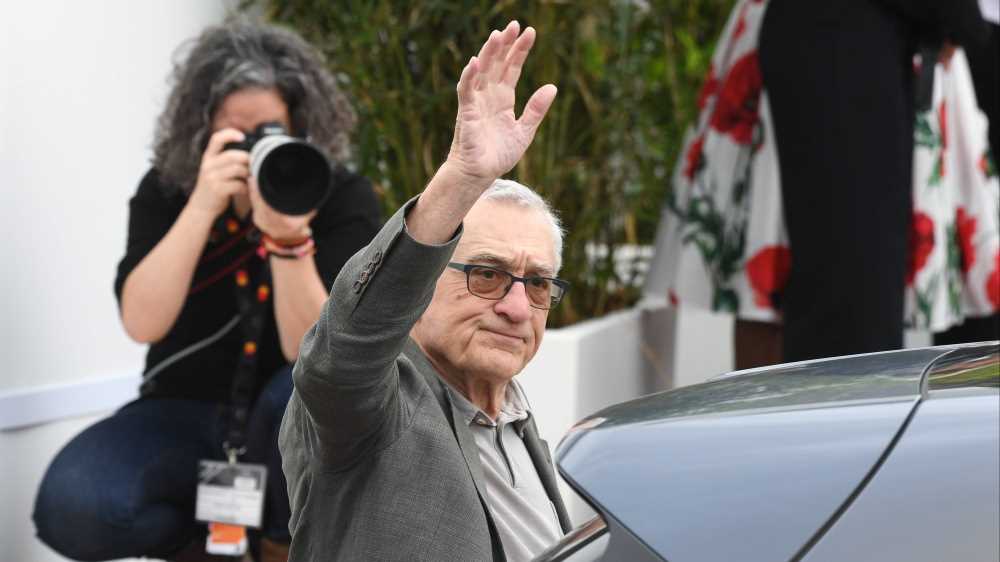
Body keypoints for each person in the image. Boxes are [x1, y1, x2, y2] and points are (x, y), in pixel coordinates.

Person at [32, 20, 381, 562]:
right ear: (201, 132)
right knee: (73, 503)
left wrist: (288, 238)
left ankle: (281, 544)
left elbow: (315, 354)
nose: (251, 148)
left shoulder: (339, 196)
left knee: (294, 394)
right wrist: (202, 206)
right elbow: (142, 323)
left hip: (288, 424)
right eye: (234, 134)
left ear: (300, 128)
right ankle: (209, 547)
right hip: (182, 409)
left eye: (268, 131)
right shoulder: (168, 191)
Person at [279, 21, 571, 561]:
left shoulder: (511, 412)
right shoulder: (373, 407)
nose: (515, 308)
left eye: (536, 284)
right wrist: (462, 177)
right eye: (486, 275)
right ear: (421, 282)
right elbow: (346, 348)